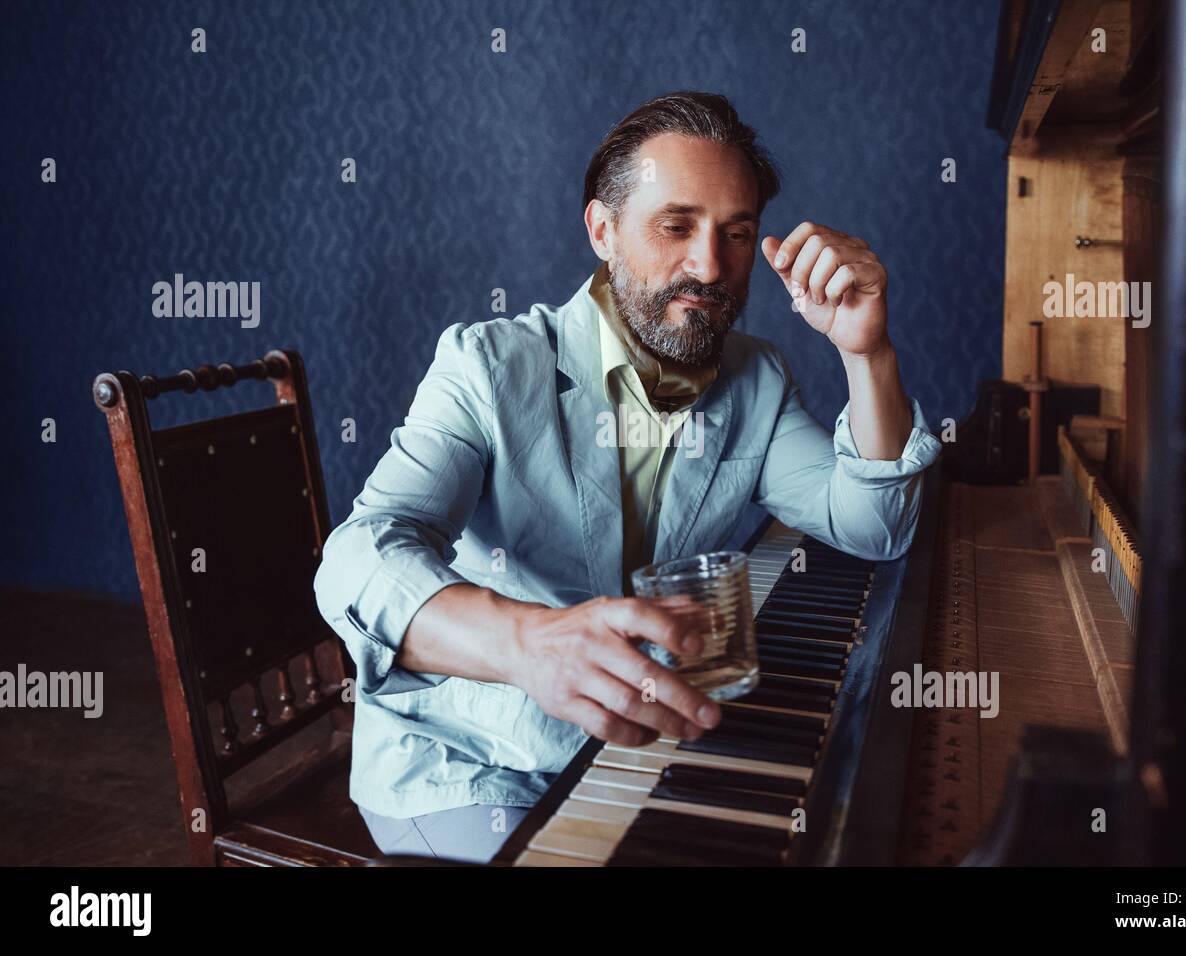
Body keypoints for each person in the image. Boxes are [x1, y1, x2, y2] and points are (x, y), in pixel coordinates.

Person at [314, 90, 942, 862]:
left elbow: (878, 527)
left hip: (635, 752)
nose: (710, 265)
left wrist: (866, 354)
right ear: (603, 230)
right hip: (470, 765)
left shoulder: (758, 379)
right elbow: (357, 557)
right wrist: (527, 643)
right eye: (676, 226)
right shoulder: (486, 365)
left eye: (736, 234)